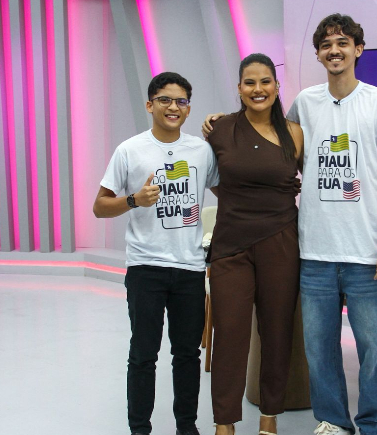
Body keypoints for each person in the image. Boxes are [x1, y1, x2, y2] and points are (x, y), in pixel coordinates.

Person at [203, 13, 377, 435]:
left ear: (358, 49)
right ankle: (334, 422)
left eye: (343, 42)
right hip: (313, 251)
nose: (334, 50)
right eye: (326, 44)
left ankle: (373, 424)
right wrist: (218, 124)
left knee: (373, 349)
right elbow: (274, 159)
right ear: (318, 53)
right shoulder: (305, 104)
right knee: (320, 350)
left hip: (366, 252)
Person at [93, 72, 219, 435]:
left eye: (181, 101)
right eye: (165, 99)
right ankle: (139, 429)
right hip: (146, 267)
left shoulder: (201, 150)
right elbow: (100, 206)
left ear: (189, 108)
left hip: (190, 268)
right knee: (144, 355)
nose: (173, 107)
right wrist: (134, 200)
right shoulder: (130, 150)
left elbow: (228, 195)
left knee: (187, 355)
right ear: (150, 105)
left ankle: (186, 427)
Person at [206, 53, 304, 435]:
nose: (258, 89)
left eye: (266, 82)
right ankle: (224, 423)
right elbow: (213, 178)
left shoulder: (294, 132)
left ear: (277, 88)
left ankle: (269, 418)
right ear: (239, 88)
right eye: (250, 82)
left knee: (277, 332)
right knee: (229, 334)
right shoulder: (219, 129)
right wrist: (239, 199)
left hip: (280, 241)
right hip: (231, 243)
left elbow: (315, 181)